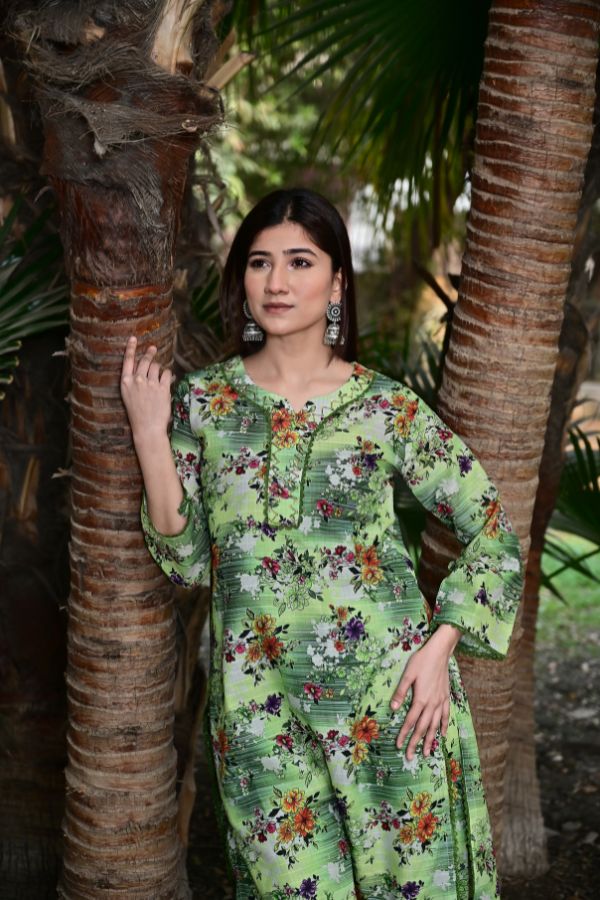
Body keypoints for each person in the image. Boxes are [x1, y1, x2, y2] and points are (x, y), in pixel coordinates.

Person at [120, 188, 523, 899]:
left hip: (394, 704)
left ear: (337, 281)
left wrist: (440, 648)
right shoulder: (203, 404)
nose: (276, 282)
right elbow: (183, 557)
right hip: (260, 713)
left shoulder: (385, 407)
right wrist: (152, 436)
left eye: (299, 262)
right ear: (241, 281)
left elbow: (490, 527)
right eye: (259, 263)